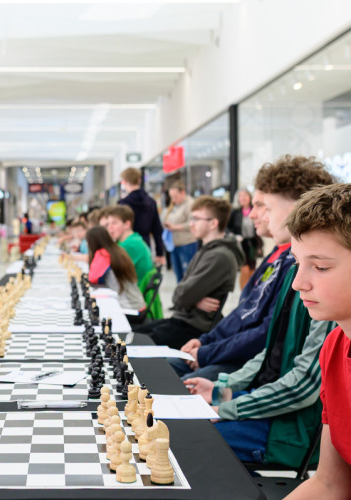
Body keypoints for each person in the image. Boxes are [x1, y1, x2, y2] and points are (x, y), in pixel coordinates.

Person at [185, 156, 336, 467]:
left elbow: (301, 386)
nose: (255, 214)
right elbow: (272, 350)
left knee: (187, 438)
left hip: (289, 430)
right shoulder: (293, 275)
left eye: (264, 206)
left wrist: (226, 405)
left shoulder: (328, 303)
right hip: (276, 410)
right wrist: (224, 390)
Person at [168, 189, 293, 381]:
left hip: (246, 359)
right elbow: (242, 313)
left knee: (177, 382)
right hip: (224, 345)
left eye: (263, 207)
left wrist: (207, 351)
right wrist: (205, 342)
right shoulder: (276, 255)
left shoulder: (289, 264)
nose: (253, 214)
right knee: (160, 367)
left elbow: (264, 332)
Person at [284, 184, 351, 499]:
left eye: (321, 267)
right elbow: (329, 484)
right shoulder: (334, 345)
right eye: (297, 263)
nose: (298, 283)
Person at [133, 196, 244, 350]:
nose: (191, 224)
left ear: (213, 223)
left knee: (133, 342)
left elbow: (181, 296)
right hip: (183, 319)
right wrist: (194, 300)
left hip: (193, 327)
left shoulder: (219, 256)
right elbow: (182, 295)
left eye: (196, 219)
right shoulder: (207, 250)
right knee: (131, 335)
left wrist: (190, 299)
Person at [86, 226, 146, 311]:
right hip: (138, 303)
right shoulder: (117, 250)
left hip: (130, 308)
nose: (86, 244)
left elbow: (92, 278)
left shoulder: (103, 254)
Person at [118, 167, 166, 266]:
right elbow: (157, 229)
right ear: (139, 180)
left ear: (125, 181)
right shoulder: (151, 202)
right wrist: (159, 252)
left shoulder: (123, 204)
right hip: (145, 244)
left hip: (128, 244)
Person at [106, 205, 154, 285]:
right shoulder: (131, 239)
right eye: (108, 224)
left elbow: (110, 270)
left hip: (134, 289)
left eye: (114, 223)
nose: (110, 228)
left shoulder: (131, 244)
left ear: (127, 224)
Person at [163, 181, 197, 283]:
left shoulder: (190, 204)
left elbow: (193, 223)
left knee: (188, 275)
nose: (173, 199)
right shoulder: (174, 205)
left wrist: (175, 227)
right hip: (174, 245)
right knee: (178, 276)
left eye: (175, 196)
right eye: (171, 197)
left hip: (187, 244)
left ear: (183, 193)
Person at [227, 189, 262, 289]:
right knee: (245, 270)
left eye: (245, 195)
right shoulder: (235, 212)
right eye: (240, 196)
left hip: (252, 244)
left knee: (252, 271)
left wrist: (259, 245)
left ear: (249, 197)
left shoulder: (254, 210)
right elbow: (227, 227)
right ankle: (244, 293)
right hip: (240, 244)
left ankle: (250, 291)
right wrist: (234, 236)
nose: (242, 198)